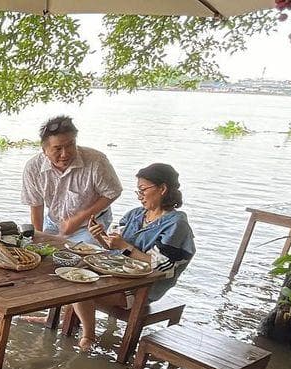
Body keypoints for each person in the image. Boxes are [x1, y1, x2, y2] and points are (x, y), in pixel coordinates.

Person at [72, 163, 196, 349]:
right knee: (73, 274)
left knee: (79, 289)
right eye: (137, 191)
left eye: (143, 190)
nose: (139, 196)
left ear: (162, 189)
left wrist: (124, 246)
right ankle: (79, 327)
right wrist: (98, 235)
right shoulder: (135, 215)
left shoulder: (176, 225)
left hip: (142, 288)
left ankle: (89, 336)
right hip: (117, 275)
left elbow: (161, 267)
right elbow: (113, 246)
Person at [21, 115, 123, 245]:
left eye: (70, 145)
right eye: (58, 149)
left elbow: (113, 192)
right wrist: (37, 237)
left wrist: (79, 218)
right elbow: (36, 205)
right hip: (54, 222)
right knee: (44, 252)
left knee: (81, 257)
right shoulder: (33, 168)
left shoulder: (96, 161)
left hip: (91, 225)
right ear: (44, 150)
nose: (65, 154)